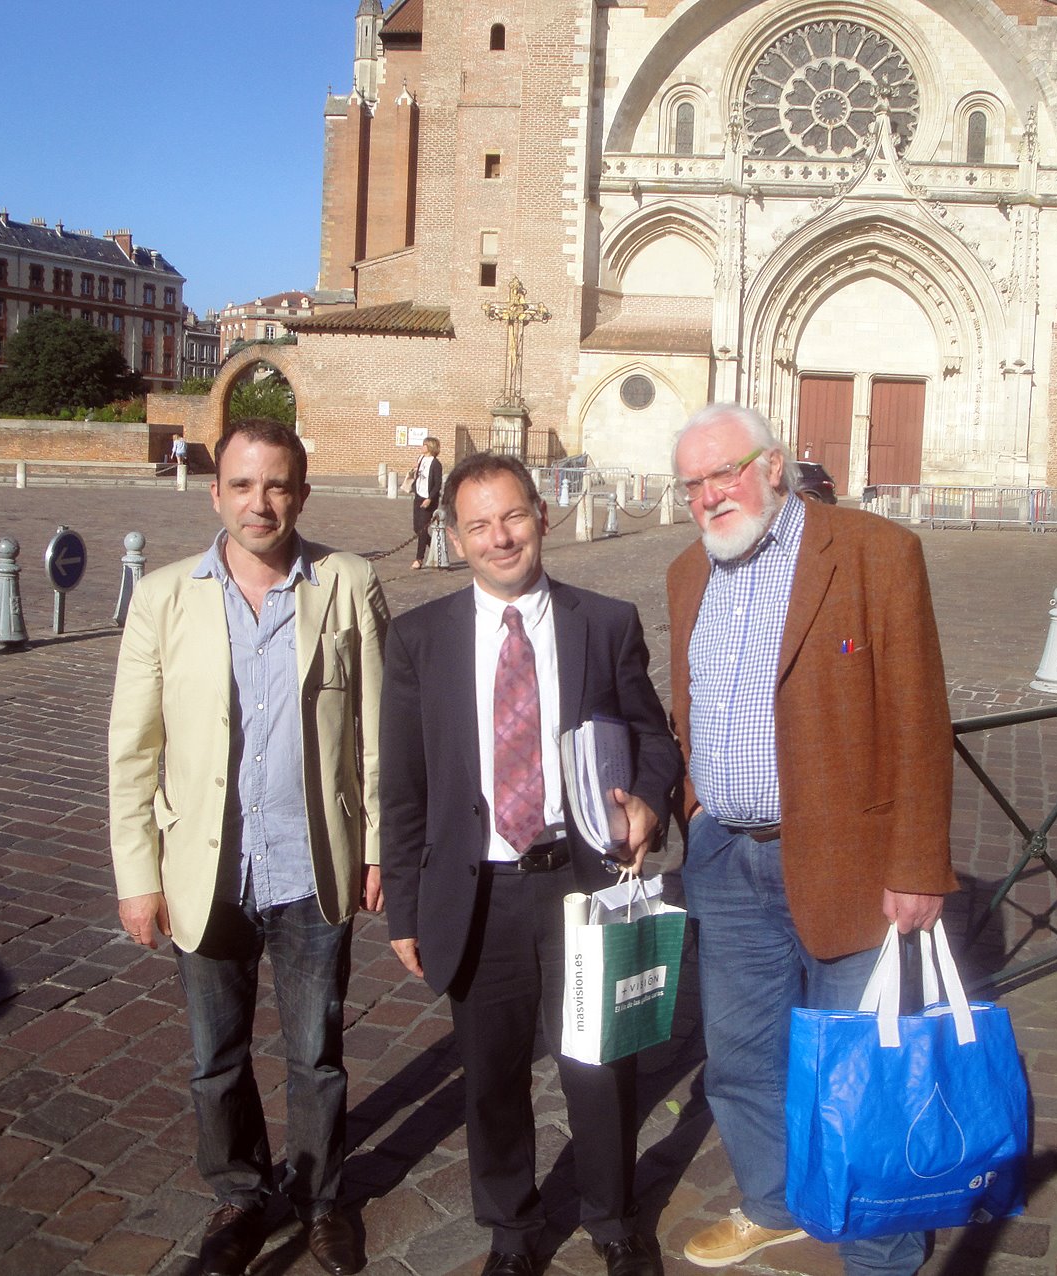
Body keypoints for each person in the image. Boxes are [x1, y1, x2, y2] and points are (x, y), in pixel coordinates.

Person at [666, 404, 956, 1276]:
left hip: (851, 863)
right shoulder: (688, 572)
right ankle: (772, 1201)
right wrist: (691, 812)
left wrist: (916, 866)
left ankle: (879, 1249)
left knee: (862, 1070)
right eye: (692, 485)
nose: (711, 495)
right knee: (742, 1057)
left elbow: (918, 718)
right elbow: (690, 705)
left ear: (774, 465)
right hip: (725, 854)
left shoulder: (873, 552)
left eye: (725, 473)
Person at [380, 453, 681, 1276]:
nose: (498, 537)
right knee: (492, 1075)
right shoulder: (418, 639)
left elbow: (654, 738)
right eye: (476, 525)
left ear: (542, 516)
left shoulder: (604, 622)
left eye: (511, 516)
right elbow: (402, 785)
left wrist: (650, 799)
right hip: (479, 890)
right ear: (453, 536)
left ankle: (613, 1217)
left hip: (582, 882)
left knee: (600, 1061)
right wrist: (404, 908)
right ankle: (511, 1231)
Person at [109, 418, 388, 1276]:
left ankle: (321, 1198)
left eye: (276, 486)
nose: (258, 503)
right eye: (241, 484)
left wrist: (377, 846)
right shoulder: (163, 597)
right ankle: (238, 1193)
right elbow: (134, 748)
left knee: (316, 1053)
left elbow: (378, 736)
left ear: (301, 494)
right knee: (214, 1057)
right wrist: (137, 876)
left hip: (312, 864)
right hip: (206, 869)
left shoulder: (346, 583)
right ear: (214, 492)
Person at [407, 436, 443, 569]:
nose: (422, 447)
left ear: (430, 447)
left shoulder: (436, 464)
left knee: (423, 528)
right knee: (417, 528)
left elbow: (437, 484)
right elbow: (417, 476)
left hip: (428, 499)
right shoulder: (420, 459)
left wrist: (430, 499)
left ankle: (419, 559)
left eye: (424, 445)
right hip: (418, 496)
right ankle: (436, 547)